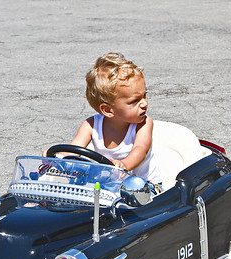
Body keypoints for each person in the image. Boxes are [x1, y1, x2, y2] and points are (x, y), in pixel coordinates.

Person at [69, 52, 163, 185]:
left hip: (144, 187)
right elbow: (72, 149)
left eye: (144, 96)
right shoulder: (91, 125)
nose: (144, 103)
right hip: (110, 185)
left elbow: (140, 150)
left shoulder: (144, 124)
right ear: (108, 110)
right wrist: (56, 157)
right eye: (135, 101)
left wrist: (124, 164)